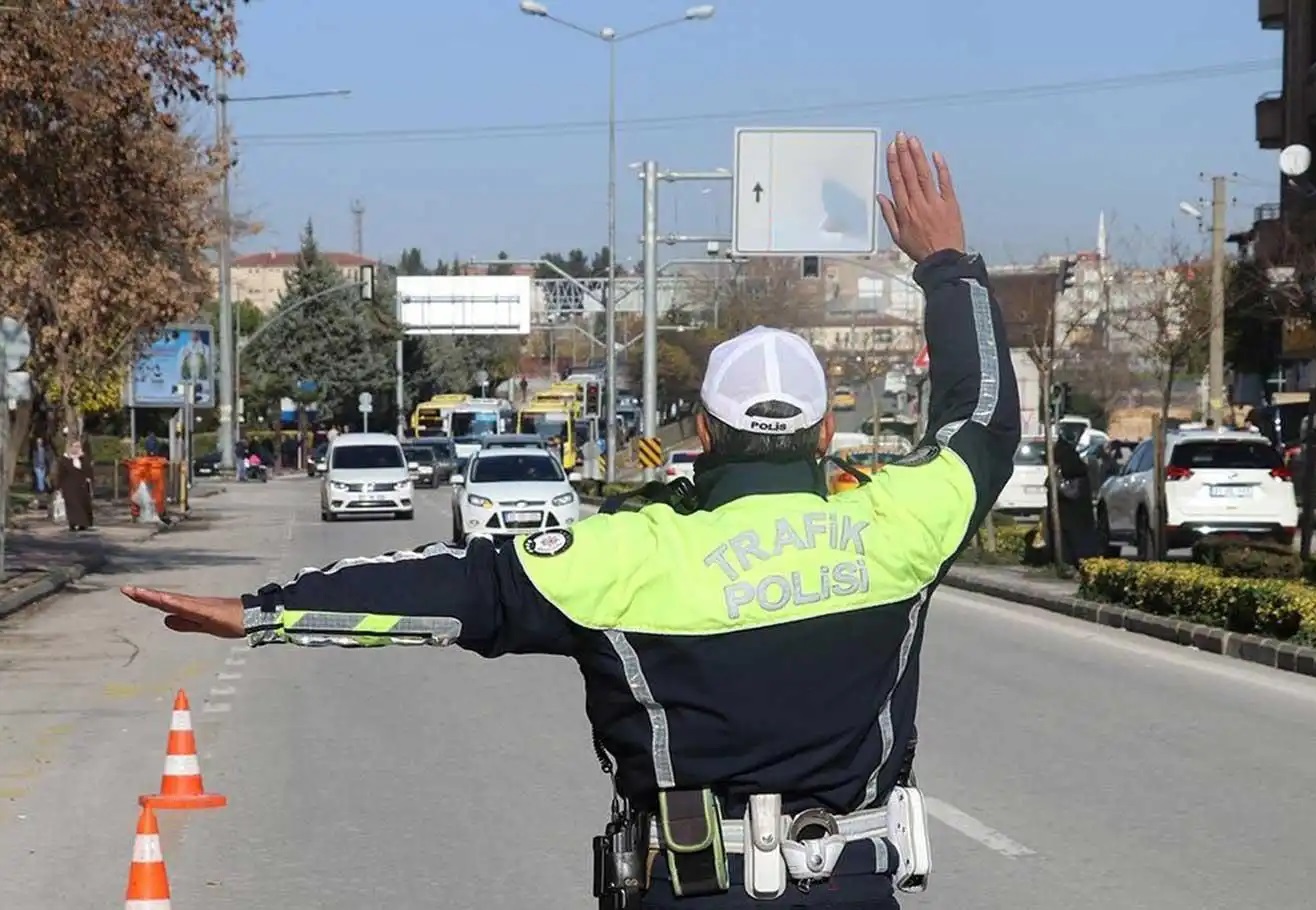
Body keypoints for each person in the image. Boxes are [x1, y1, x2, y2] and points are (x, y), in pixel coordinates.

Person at [120, 133, 1020, 909]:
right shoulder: (900, 523)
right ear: (827, 432)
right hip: (855, 887)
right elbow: (979, 417)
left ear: (703, 431)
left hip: (689, 888)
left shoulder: (627, 554)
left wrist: (263, 610)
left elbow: (452, 586)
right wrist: (947, 263)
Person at [1028, 439, 1102, 569]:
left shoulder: (1076, 472)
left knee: (1077, 545)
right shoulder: (1062, 471)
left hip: (1075, 520)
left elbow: (1071, 493)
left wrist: (1056, 484)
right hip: (1063, 520)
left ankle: (1074, 564)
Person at [54, 438, 96, 532]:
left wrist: (83, 458)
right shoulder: (65, 459)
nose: (77, 448)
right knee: (73, 505)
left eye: (79, 446)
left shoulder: (83, 459)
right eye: (75, 446)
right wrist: (58, 487)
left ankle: (83, 524)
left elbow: (88, 471)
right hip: (69, 486)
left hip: (82, 486)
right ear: (70, 447)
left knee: (83, 504)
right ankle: (73, 523)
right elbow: (61, 474)